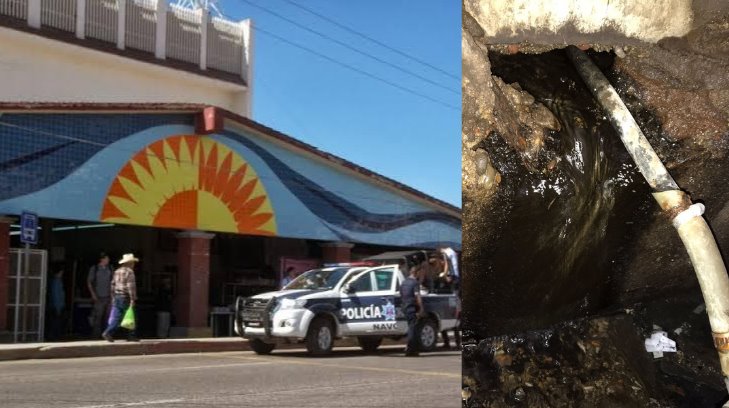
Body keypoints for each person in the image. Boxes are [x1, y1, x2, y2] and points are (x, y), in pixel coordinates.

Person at [102, 253, 139, 342]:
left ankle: (109, 331)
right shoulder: (129, 272)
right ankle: (130, 335)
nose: (133, 264)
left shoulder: (117, 271)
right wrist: (133, 299)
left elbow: (112, 285)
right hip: (126, 297)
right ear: (129, 263)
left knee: (117, 316)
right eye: (133, 263)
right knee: (131, 316)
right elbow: (131, 286)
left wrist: (113, 297)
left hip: (117, 296)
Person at [401, 261, 425, 357]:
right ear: (417, 272)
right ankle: (410, 349)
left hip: (405, 307)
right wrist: (421, 309)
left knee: (412, 327)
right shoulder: (415, 283)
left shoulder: (404, 282)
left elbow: (401, 295)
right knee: (412, 328)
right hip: (412, 307)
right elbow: (417, 296)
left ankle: (412, 349)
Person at [87, 252, 113, 338]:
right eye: (107, 258)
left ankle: (107, 334)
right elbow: (89, 282)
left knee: (108, 317)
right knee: (98, 317)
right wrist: (93, 294)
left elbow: (113, 282)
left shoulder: (110, 268)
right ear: (102, 259)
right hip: (98, 296)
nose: (108, 260)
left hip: (109, 296)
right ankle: (96, 335)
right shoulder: (94, 269)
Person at [48, 265, 66, 341]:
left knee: (56, 322)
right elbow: (56, 295)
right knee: (55, 322)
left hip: (57, 305)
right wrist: (58, 307)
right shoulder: (56, 281)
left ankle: (55, 336)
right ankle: (54, 337)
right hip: (56, 306)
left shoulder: (57, 281)